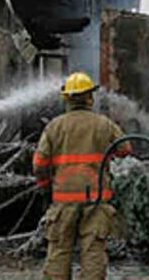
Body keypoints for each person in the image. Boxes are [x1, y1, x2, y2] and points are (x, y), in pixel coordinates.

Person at [34, 72, 132, 280]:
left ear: (66, 99)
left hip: (63, 199)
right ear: (89, 98)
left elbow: (39, 163)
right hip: (95, 198)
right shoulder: (104, 124)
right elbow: (125, 148)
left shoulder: (54, 126)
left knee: (59, 250)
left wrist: (45, 185)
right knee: (94, 249)